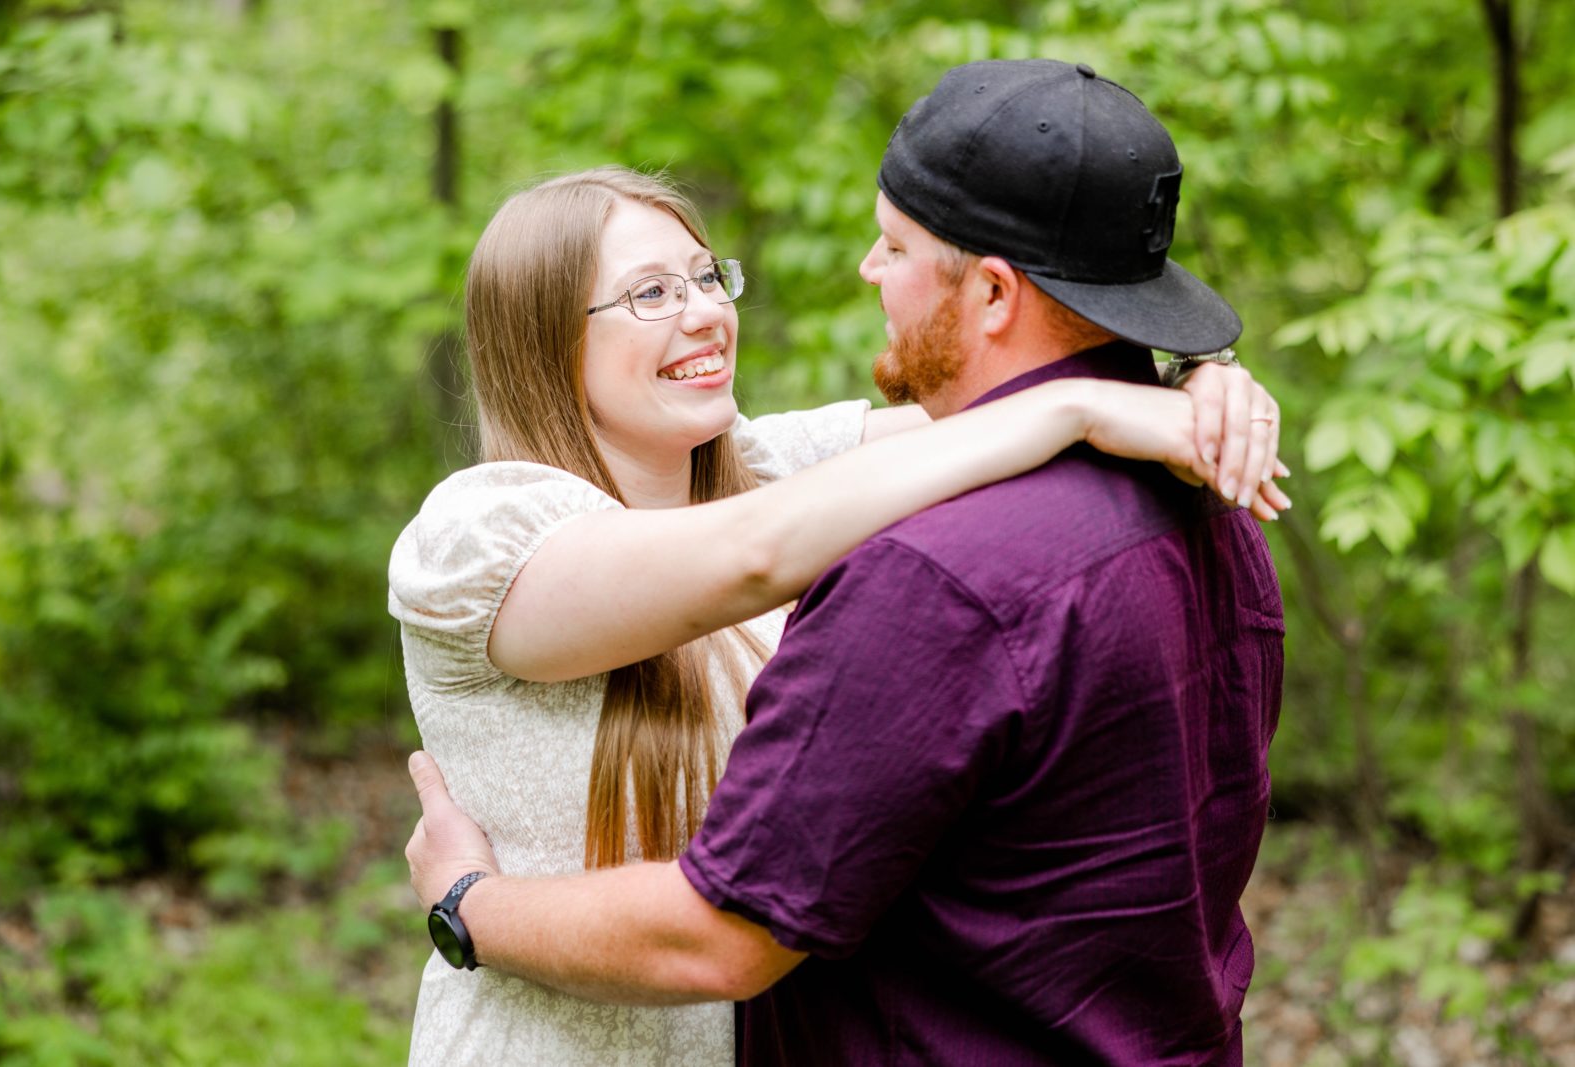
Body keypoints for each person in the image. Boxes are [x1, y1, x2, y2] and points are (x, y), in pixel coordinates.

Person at [393, 77, 1286, 1067]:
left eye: (706, 277)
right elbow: (754, 554)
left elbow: (974, 407)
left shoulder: (758, 467)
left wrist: (1197, 381)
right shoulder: (473, 537)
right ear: (542, 339)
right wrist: (1078, 406)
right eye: (651, 293)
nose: (704, 313)